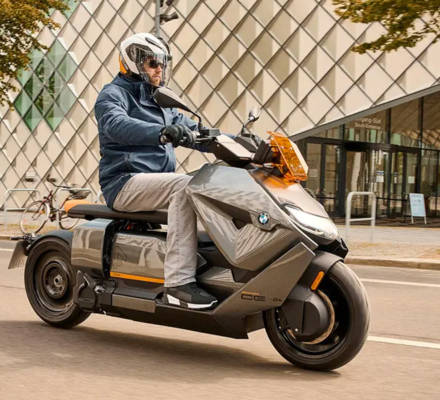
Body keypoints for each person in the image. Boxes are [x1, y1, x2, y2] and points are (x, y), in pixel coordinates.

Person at [94, 33, 217, 310]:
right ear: (133, 63)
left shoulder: (162, 102)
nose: (159, 69)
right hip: (124, 183)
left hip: (153, 186)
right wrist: (161, 132)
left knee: (211, 182)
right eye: (153, 63)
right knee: (184, 186)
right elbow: (116, 125)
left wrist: (246, 144)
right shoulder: (113, 95)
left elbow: (198, 132)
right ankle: (178, 284)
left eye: (162, 64)